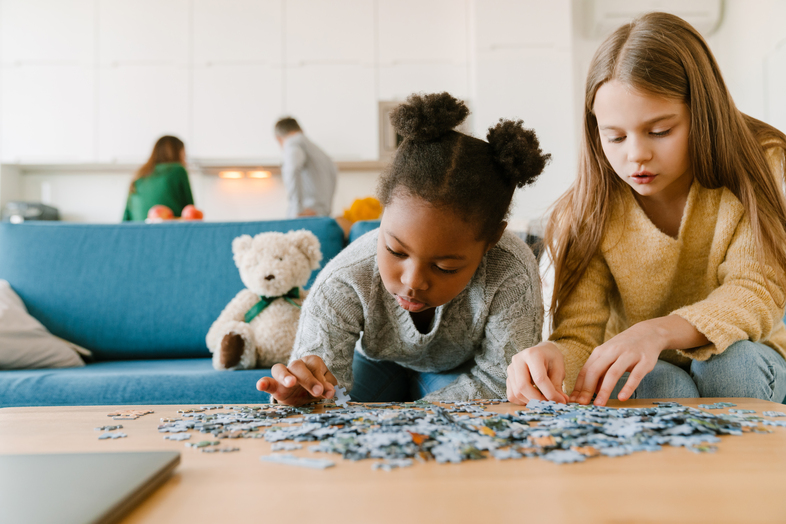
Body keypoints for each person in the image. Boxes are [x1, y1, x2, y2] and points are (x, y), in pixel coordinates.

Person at [506, 12, 786, 408]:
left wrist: (658, 332)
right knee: (658, 383)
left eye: (660, 131)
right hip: (649, 370)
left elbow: (756, 290)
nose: (636, 155)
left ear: (702, 113)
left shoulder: (760, 164)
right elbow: (579, 337)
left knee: (730, 365)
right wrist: (550, 362)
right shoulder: (588, 209)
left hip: (746, 352)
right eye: (615, 136)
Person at [257, 92, 550, 406]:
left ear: (491, 240)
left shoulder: (512, 270)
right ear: (383, 214)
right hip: (376, 363)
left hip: (461, 371)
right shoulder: (342, 281)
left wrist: (411, 419)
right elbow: (323, 387)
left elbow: (500, 381)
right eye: (396, 251)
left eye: (445, 267)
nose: (412, 281)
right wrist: (305, 396)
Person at [274, 117, 338, 218]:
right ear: (301, 130)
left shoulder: (293, 144)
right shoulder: (321, 153)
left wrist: (297, 210)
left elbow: (292, 169)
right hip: (323, 215)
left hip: (307, 217)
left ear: (278, 138)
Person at [122, 135, 194, 221]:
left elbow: (125, 218)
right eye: (183, 154)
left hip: (138, 232)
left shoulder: (139, 174)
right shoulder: (178, 170)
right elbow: (190, 212)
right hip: (169, 231)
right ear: (178, 153)